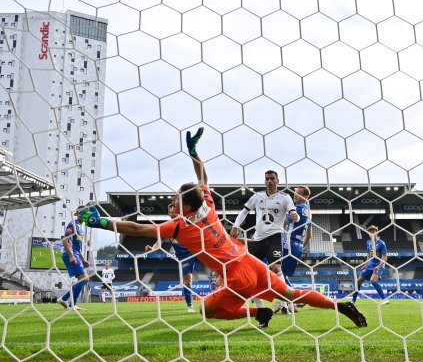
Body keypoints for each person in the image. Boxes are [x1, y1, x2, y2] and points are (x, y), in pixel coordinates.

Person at [81, 127, 367, 329]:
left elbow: (137, 228)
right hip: (251, 262)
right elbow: (203, 178)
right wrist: (194, 153)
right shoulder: (207, 204)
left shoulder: (179, 227)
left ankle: (257, 311)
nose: (172, 202)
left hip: (237, 274)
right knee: (290, 295)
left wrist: (101, 222)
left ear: (186, 207)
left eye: (175, 200)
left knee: (207, 311)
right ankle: (339, 306)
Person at [230, 170, 298, 311]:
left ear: (277, 181)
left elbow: (293, 214)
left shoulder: (285, 197)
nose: (269, 181)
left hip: (274, 236)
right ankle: (261, 309)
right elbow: (244, 211)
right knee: (251, 272)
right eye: (267, 179)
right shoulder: (258, 196)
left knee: (276, 268)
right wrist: (235, 226)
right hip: (258, 238)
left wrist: (294, 215)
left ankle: (284, 303)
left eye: (272, 178)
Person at [279, 185, 312, 314]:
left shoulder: (297, 209)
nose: (295, 195)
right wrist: (300, 246)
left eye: (298, 193)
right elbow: (309, 235)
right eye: (295, 193)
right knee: (283, 275)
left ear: (305, 197)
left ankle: (295, 299)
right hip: (297, 247)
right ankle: (290, 303)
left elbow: (282, 223)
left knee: (275, 271)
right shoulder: (308, 212)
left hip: (288, 244)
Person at [58, 206, 90, 310]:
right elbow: (65, 240)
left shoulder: (81, 228)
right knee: (83, 277)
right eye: (83, 212)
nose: (84, 214)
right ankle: (68, 302)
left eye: (86, 212)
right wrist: (71, 256)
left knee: (85, 279)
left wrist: (83, 259)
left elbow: (77, 247)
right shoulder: (73, 224)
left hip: (76, 254)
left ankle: (68, 301)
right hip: (69, 254)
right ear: (78, 213)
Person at [351, 225, 389, 305]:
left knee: (372, 280)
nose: (372, 233)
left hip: (379, 264)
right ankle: (353, 301)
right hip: (370, 264)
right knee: (358, 281)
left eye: (373, 232)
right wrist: (365, 264)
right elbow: (368, 254)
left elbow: (385, 258)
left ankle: (384, 299)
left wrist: (378, 267)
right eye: (370, 232)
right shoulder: (368, 242)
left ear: (376, 233)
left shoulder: (382, 244)